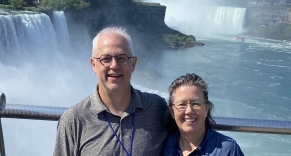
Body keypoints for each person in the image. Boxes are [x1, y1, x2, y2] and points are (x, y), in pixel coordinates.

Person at [53, 26, 168, 156]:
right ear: (93, 65)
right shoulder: (74, 120)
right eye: (105, 59)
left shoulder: (157, 108)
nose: (114, 65)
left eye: (122, 58)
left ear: (133, 64)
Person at [161, 73, 244, 156]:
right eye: (182, 104)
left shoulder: (227, 150)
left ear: (207, 109)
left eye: (196, 103)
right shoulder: (161, 146)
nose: (189, 111)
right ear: (172, 111)